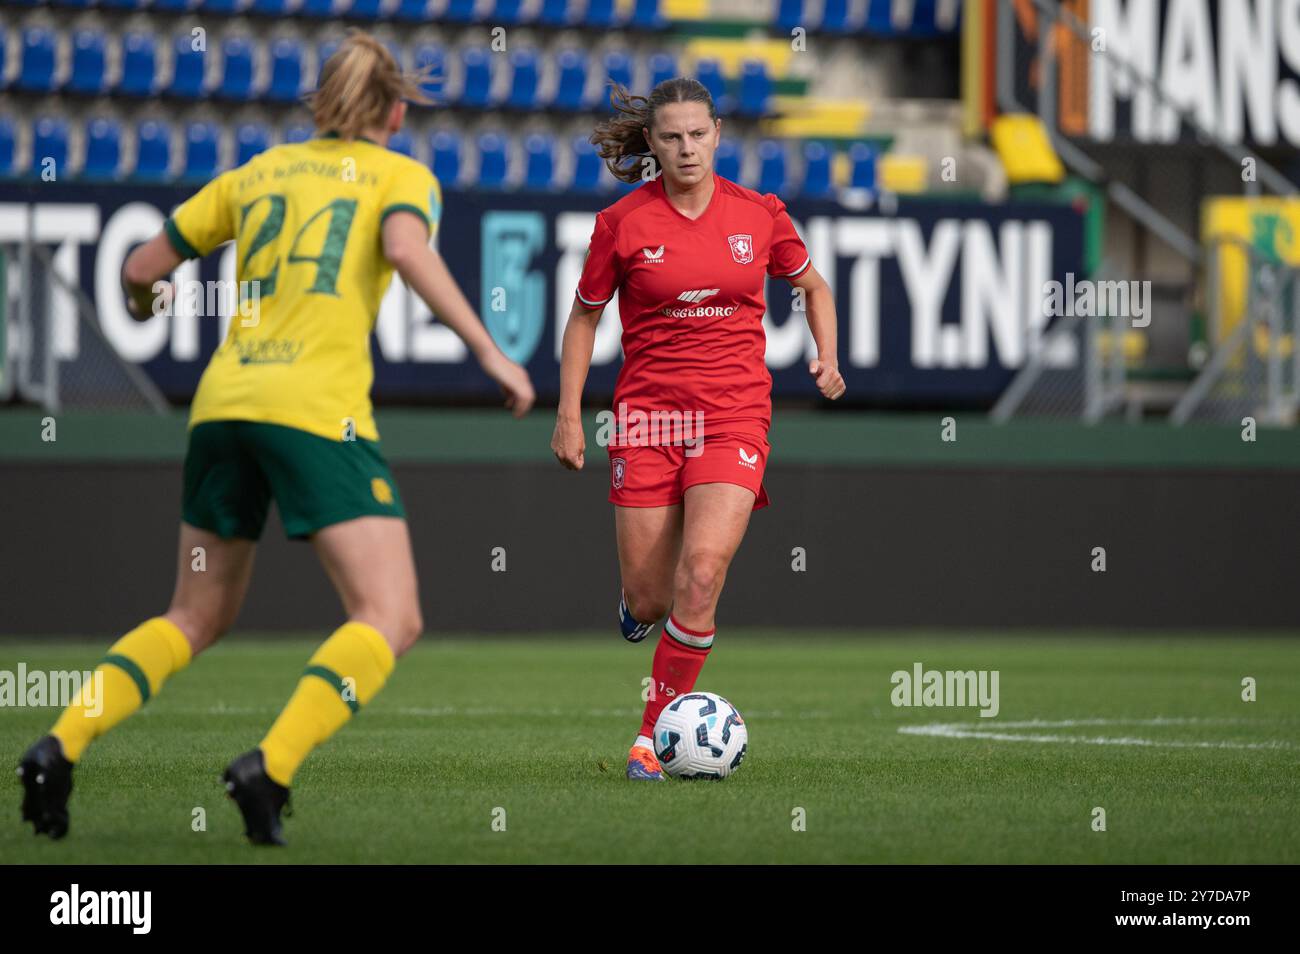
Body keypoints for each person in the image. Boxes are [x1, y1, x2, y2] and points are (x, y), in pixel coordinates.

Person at [17, 31, 534, 844]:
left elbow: (140, 271)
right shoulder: (401, 177)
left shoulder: (255, 174)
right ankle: (269, 768)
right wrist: (489, 350)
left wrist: (151, 312)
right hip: (314, 409)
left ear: (321, 103)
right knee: (389, 615)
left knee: (192, 614)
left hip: (223, 405)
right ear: (396, 110)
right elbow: (404, 247)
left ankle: (58, 746)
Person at [550, 78, 846, 781]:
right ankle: (634, 605)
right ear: (651, 143)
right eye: (671, 137)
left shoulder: (760, 214)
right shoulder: (622, 223)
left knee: (704, 572)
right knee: (654, 598)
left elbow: (813, 287)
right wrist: (567, 414)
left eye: (697, 134)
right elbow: (585, 316)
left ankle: (652, 737)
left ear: (717, 133)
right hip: (648, 419)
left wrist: (828, 355)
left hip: (734, 414)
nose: (686, 148)